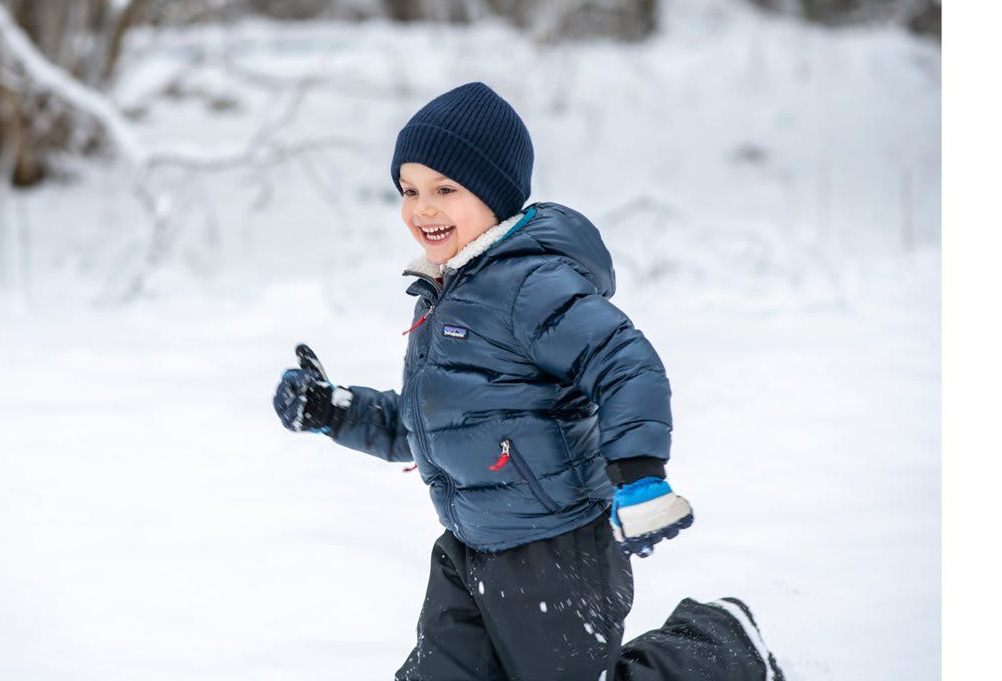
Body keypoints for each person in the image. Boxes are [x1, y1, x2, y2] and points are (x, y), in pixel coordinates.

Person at [273, 81, 786, 680]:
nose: (422, 209)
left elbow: (625, 362)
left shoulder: (530, 285)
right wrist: (335, 411)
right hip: (468, 548)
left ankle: (718, 646)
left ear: (495, 196)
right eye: (409, 191)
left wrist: (639, 473)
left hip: (555, 548)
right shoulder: (444, 295)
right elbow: (433, 424)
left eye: (445, 189)